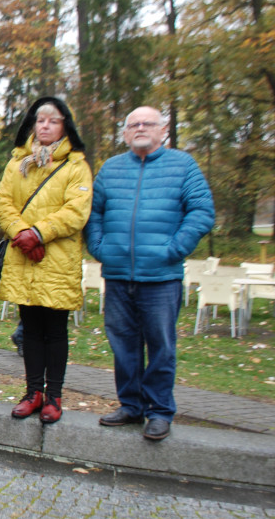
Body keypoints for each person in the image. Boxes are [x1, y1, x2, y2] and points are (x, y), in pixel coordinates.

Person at [87, 106, 214, 441]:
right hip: (117, 274)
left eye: (147, 123)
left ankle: (159, 411)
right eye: (133, 124)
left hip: (161, 277)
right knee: (123, 345)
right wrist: (101, 248)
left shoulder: (183, 165)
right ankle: (130, 405)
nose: (140, 128)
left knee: (160, 346)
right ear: (125, 132)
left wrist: (173, 249)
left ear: (164, 130)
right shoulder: (111, 169)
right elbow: (94, 214)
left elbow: (202, 211)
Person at [0, 96, 92, 424]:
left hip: (57, 260)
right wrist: (22, 235)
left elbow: (76, 211)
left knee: (55, 331)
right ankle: (32, 392)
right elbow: (3, 203)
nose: (46, 126)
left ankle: (54, 396)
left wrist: (38, 233)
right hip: (24, 259)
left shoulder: (76, 165)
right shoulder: (17, 162)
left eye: (53, 121)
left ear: (65, 125)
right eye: (40, 120)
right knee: (30, 329)